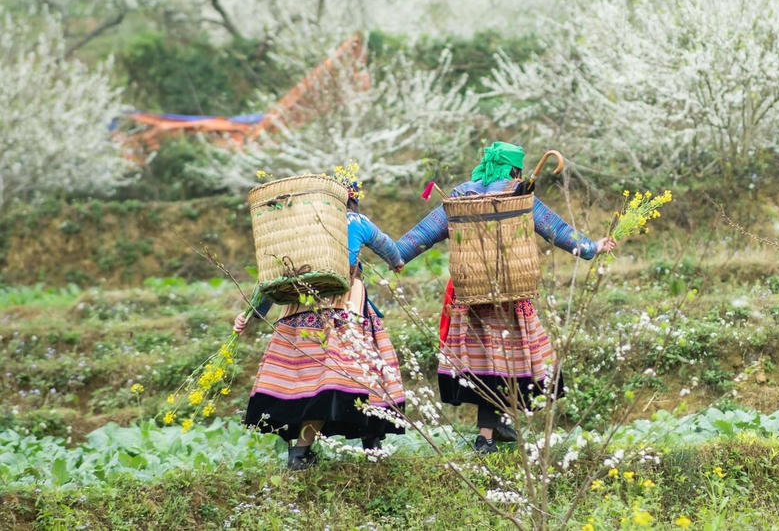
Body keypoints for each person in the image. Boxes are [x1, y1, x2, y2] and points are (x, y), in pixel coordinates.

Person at [391, 142, 615, 453]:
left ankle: (496, 427)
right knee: (508, 361)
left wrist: (396, 256)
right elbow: (555, 228)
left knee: (487, 361)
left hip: (470, 295)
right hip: (511, 292)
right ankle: (487, 435)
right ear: (513, 169)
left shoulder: (460, 195)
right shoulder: (519, 193)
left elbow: (422, 234)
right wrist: (591, 247)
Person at [234, 182, 406, 470]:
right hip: (345, 309)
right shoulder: (355, 221)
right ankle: (372, 450)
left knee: (312, 384)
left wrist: (250, 315)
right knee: (366, 376)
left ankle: (299, 454)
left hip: (299, 312)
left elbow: (273, 279)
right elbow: (390, 249)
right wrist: (398, 262)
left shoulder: (299, 227)